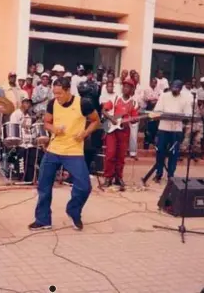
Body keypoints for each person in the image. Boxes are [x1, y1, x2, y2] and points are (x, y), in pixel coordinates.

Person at [28, 78, 100, 231]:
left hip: (74, 151)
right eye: (55, 93)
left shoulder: (83, 103)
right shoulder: (52, 104)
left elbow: (96, 121)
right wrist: (53, 129)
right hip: (54, 149)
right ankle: (43, 220)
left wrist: (85, 133)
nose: (57, 97)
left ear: (68, 91)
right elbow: (47, 122)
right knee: (44, 184)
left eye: (60, 93)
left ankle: (73, 210)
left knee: (84, 186)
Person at [152, 80, 192, 182]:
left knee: (174, 153)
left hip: (176, 130)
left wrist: (182, 117)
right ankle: (159, 174)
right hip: (163, 128)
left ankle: (171, 175)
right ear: (170, 87)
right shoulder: (164, 96)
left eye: (177, 88)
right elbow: (157, 111)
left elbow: (188, 114)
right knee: (160, 151)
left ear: (181, 88)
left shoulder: (185, 99)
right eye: (173, 88)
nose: (175, 90)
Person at [101, 80, 139, 189]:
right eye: (124, 86)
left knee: (121, 156)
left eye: (128, 87)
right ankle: (108, 178)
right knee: (111, 153)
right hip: (112, 130)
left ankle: (118, 177)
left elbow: (134, 119)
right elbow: (104, 110)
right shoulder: (115, 98)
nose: (126, 88)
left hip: (124, 131)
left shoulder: (134, 103)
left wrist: (135, 120)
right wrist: (112, 118)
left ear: (132, 90)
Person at [142, 77, 162, 149]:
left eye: (155, 82)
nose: (154, 84)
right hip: (149, 109)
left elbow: (159, 100)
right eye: (152, 82)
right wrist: (155, 100)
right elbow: (148, 100)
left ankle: (153, 142)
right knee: (148, 127)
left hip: (156, 110)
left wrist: (154, 100)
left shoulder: (158, 90)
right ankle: (146, 144)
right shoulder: (147, 89)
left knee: (155, 126)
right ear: (150, 82)